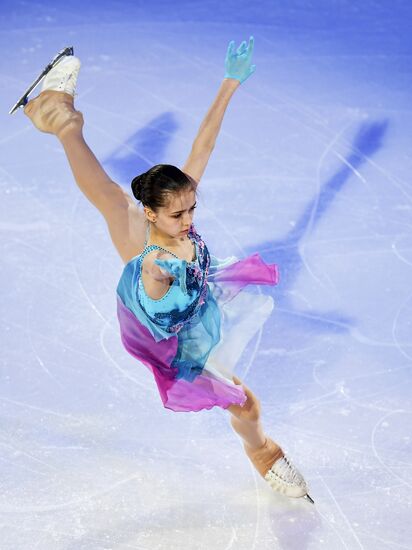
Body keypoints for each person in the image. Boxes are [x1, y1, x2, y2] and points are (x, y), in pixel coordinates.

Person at [21, 37, 314, 503]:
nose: (190, 221)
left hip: (194, 301)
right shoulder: (152, 258)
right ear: (153, 215)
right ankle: (263, 453)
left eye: (192, 209)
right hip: (177, 340)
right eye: (179, 215)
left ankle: (57, 115)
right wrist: (167, 281)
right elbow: (155, 297)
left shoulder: (172, 210)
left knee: (111, 196)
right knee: (244, 400)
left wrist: (230, 83)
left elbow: (204, 144)